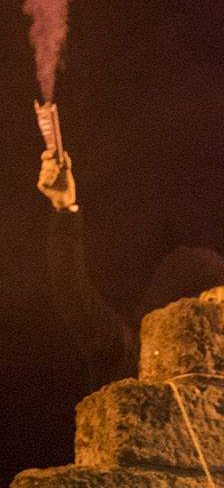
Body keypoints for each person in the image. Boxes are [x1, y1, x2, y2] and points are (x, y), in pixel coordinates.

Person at [37, 136, 224, 392]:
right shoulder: (131, 356)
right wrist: (64, 209)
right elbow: (74, 294)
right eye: (212, 301)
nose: (219, 315)